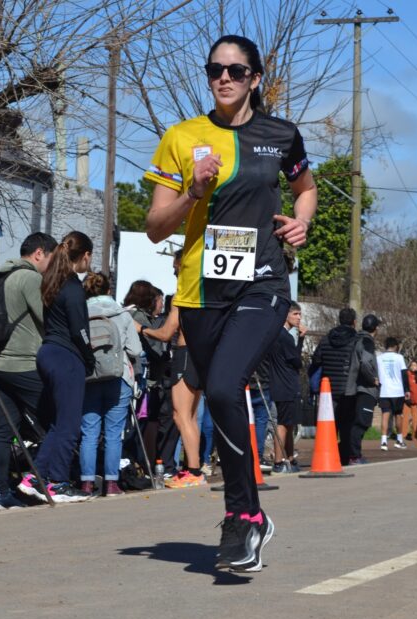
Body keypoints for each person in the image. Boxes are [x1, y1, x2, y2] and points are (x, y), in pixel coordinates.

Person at [143, 34, 317, 572]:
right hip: (200, 290)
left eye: (235, 71)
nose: (223, 78)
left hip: (262, 282)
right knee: (216, 398)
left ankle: (241, 516)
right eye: (215, 69)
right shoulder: (181, 137)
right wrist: (192, 193)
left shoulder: (280, 135)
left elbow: (305, 188)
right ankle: (252, 517)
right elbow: (153, 228)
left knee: (222, 386)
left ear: (255, 79)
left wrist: (302, 223)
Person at [17, 231, 95, 503]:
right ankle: (58, 483)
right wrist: (89, 357)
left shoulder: (52, 283)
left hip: (47, 352)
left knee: (57, 423)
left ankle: (35, 476)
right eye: (90, 257)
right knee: (70, 425)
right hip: (66, 357)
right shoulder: (73, 288)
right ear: (85, 256)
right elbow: (80, 330)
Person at [0, 232, 57, 510]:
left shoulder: (1, 276)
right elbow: (46, 319)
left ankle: (0, 493)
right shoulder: (29, 278)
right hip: (25, 363)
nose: (50, 266)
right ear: (39, 253)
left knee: (3, 431)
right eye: (50, 259)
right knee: (57, 423)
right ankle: (41, 482)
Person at [79, 272, 142, 496]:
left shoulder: (80, 313)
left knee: (89, 432)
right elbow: (136, 350)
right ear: (108, 291)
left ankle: (86, 483)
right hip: (119, 376)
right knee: (114, 432)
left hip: (89, 376)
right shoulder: (121, 314)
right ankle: (111, 483)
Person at [138, 298, 206, 488]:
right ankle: (194, 469)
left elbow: (166, 333)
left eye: (176, 269)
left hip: (185, 354)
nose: (175, 272)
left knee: (181, 416)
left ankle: (194, 471)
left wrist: (142, 329)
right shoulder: (207, 294)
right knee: (190, 416)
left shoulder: (183, 296)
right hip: (201, 355)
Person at [309, 308, 360, 467]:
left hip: (328, 387)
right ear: (353, 322)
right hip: (348, 387)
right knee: (347, 423)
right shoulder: (356, 340)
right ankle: (345, 456)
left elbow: (316, 359)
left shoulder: (326, 339)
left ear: (339, 320)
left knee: (330, 423)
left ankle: (328, 453)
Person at [268, 302, 305, 473]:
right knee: (282, 424)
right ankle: (278, 462)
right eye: (296, 314)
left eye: (300, 314)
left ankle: (289, 458)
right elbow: (297, 361)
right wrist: (302, 339)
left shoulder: (275, 334)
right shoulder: (285, 337)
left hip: (281, 384)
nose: (299, 318)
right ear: (286, 315)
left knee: (289, 424)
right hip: (286, 385)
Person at [347, 314, 380, 464]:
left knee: (354, 422)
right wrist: (372, 379)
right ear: (375, 328)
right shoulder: (367, 341)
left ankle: (352, 454)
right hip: (364, 389)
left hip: (352, 388)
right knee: (361, 422)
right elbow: (366, 362)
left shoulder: (356, 338)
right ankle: (354, 455)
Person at [377, 337, 408, 452]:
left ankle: (383, 441)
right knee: (398, 415)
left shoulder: (379, 358)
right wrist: (407, 390)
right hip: (397, 391)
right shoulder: (399, 357)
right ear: (395, 346)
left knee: (385, 415)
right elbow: (404, 374)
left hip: (384, 391)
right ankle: (399, 440)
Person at [403, 360, 417, 441]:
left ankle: (414, 436)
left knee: (416, 419)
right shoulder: (407, 374)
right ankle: (403, 435)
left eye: (415, 365)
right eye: (412, 365)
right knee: (405, 417)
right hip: (407, 399)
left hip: (416, 400)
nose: (413, 367)